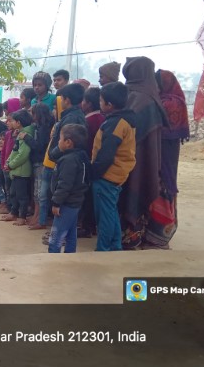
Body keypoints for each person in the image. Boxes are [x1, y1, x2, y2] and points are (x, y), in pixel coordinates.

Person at [120, 56, 167, 249]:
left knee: (133, 189)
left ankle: (131, 235)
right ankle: (130, 234)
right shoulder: (147, 96)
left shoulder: (141, 98)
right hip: (139, 156)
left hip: (136, 155)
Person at [143, 69, 190, 249]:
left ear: (163, 84)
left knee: (163, 186)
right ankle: (158, 233)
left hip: (165, 151)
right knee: (162, 186)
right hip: (165, 150)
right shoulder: (172, 100)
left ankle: (160, 235)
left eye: (156, 84)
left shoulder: (169, 103)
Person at [32, 83, 87, 232]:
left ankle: (58, 233)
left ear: (66, 100)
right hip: (56, 161)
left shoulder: (71, 118)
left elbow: (65, 142)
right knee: (48, 194)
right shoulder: (70, 116)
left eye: (61, 98)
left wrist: (53, 153)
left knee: (57, 196)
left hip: (59, 161)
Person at [91, 82, 136, 251]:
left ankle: (103, 248)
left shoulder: (115, 123)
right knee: (110, 211)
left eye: (101, 101)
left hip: (107, 175)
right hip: (117, 174)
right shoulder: (125, 119)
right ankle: (115, 246)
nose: (100, 104)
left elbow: (106, 154)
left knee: (104, 215)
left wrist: (94, 172)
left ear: (109, 104)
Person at [48, 124, 90, 253]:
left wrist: (56, 203)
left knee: (56, 236)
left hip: (66, 203)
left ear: (68, 142)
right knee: (71, 233)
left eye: (60, 139)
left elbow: (64, 184)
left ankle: (52, 256)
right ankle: (70, 255)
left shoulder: (68, 160)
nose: (58, 142)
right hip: (74, 202)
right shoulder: (80, 156)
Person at [78, 87, 106, 238]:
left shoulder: (89, 121)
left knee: (86, 197)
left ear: (88, 103)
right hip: (96, 162)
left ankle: (86, 227)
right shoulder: (102, 118)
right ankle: (91, 226)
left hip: (87, 162)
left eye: (83, 100)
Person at [22, 103, 55, 228]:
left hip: (41, 162)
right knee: (38, 191)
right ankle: (37, 216)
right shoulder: (40, 127)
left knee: (40, 192)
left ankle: (40, 219)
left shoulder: (44, 129)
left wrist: (26, 138)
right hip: (39, 162)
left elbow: (39, 146)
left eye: (33, 113)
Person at [1, 110, 34, 226]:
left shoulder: (25, 135)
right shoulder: (19, 134)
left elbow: (23, 154)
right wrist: (8, 162)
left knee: (22, 196)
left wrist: (11, 165)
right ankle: (13, 213)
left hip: (22, 171)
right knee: (13, 193)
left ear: (18, 123)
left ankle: (22, 216)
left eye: (13, 121)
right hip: (16, 170)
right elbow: (14, 151)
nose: (10, 122)